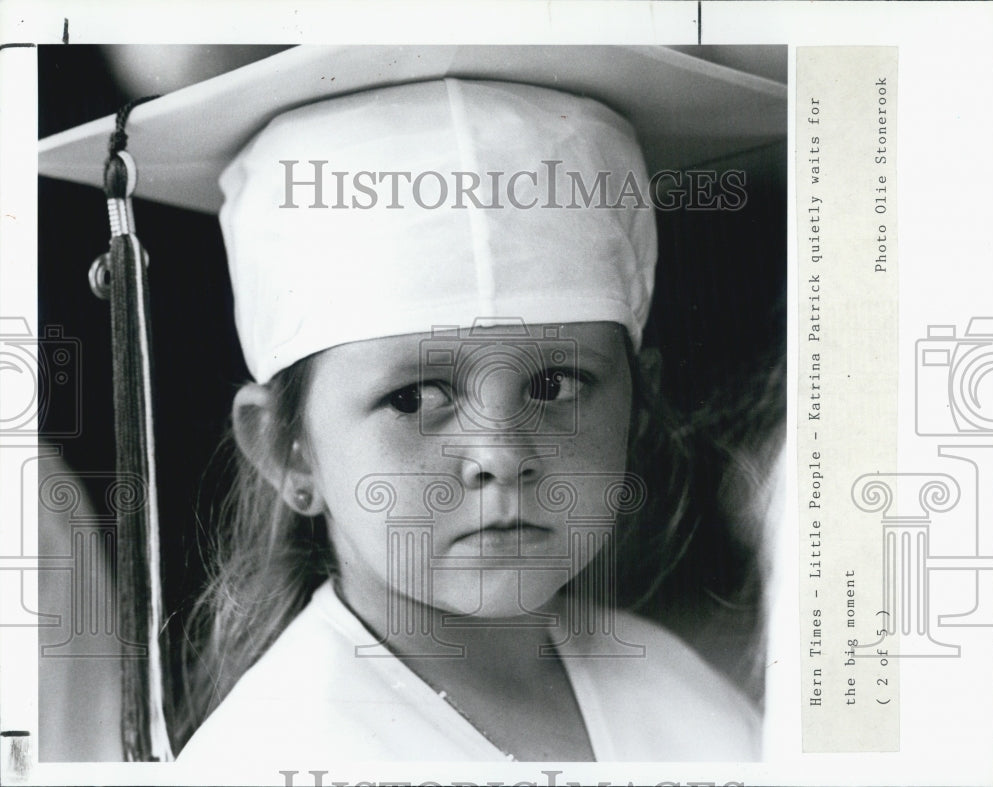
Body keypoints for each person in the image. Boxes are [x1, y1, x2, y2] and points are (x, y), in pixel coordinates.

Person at [38, 45, 786, 763]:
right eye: (415, 396)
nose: (501, 453)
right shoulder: (275, 751)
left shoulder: (686, 701)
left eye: (556, 383)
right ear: (286, 447)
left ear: (639, 400)